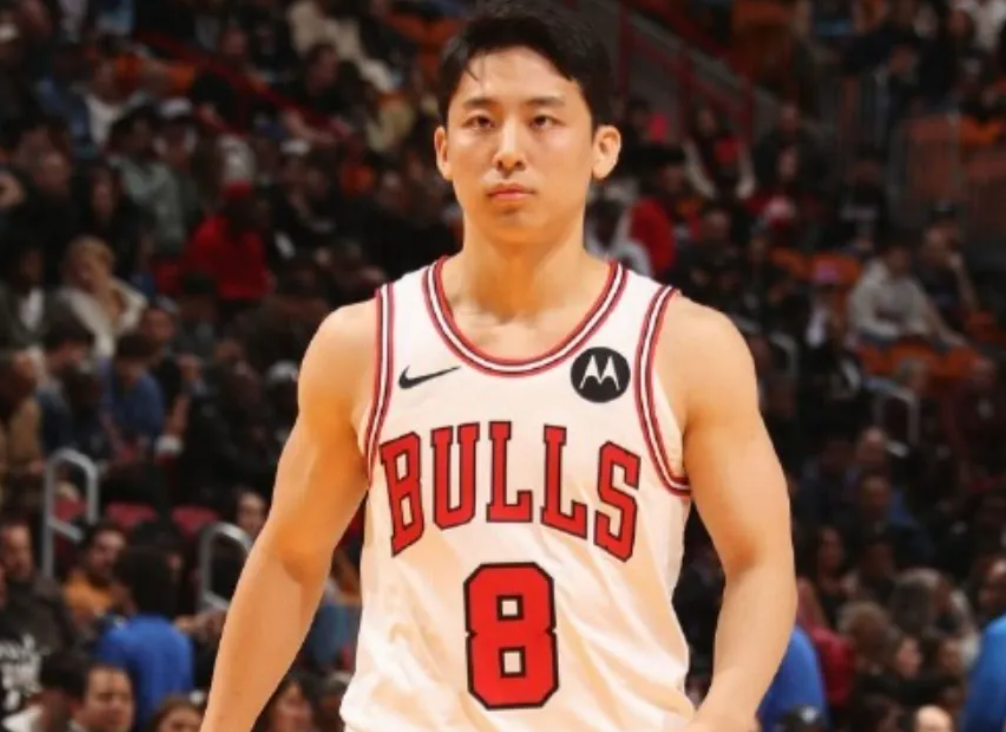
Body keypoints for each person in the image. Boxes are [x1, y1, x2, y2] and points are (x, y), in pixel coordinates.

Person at [202, 2, 796, 732]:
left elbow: (760, 559)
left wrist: (729, 705)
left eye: (543, 120)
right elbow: (291, 558)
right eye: (481, 121)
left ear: (603, 148)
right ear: (443, 149)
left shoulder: (685, 345)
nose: (509, 150)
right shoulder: (363, 344)